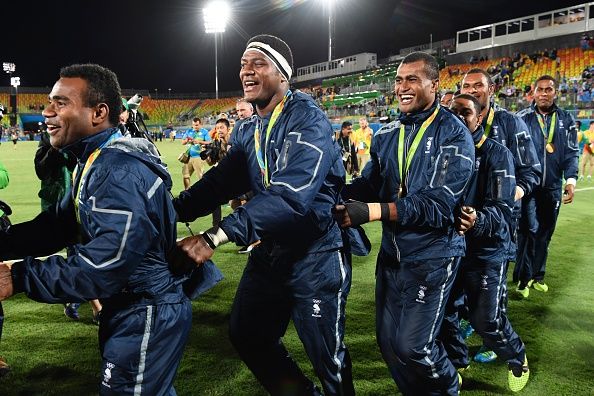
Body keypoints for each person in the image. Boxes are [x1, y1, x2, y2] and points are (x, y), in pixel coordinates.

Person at [174, 34, 354, 395]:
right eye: (243, 64)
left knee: (327, 357)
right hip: (271, 252)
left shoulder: (307, 120)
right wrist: (170, 210)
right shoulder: (249, 127)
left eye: (258, 63)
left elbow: (289, 198)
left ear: (284, 75)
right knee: (248, 333)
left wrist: (213, 237)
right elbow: (220, 182)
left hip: (314, 255)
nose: (247, 71)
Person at [0, 64, 191, 394]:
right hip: (131, 305)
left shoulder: (116, 171)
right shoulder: (94, 159)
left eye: (61, 103)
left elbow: (101, 268)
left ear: (99, 113)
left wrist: (18, 277)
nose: (46, 112)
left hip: (146, 309)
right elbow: (56, 228)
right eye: (49, 102)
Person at [333, 52, 474, 395]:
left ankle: (450, 384)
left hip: (434, 257)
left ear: (434, 85)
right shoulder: (387, 133)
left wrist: (373, 211)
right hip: (393, 258)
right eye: (398, 80)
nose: (402, 87)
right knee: (388, 344)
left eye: (412, 79)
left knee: (414, 347)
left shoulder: (453, 135)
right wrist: (330, 191)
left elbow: (438, 206)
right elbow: (368, 185)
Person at [441, 94, 529, 392]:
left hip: (487, 251)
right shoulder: (444, 152)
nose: (457, 117)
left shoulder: (496, 153)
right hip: (450, 249)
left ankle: (517, 356)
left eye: (465, 112)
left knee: (485, 320)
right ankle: (457, 361)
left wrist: (477, 220)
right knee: (444, 311)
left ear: (479, 118)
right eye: (452, 111)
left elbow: (503, 210)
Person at [459, 68, 541, 363]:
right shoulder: (457, 122)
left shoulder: (511, 123)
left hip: (500, 220)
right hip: (464, 221)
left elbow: (532, 171)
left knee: (493, 288)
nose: (472, 89)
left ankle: (491, 341)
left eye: (478, 85)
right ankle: (473, 322)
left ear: (491, 89)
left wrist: (510, 194)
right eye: (466, 85)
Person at [515, 75, 579, 296]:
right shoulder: (521, 118)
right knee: (529, 230)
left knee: (545, 233)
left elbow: (571, 153)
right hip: (529, 186)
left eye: (548, 89)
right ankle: (523, 280)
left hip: (552, 186)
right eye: (540, 89)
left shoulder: (566, 120)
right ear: (533, 93)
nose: (544, 93)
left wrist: (571, 180)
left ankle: (537, 275)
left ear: (555, 93)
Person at [181, 117, 211, 190]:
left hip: (199, 157)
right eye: (194, 125)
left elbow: (209, 142)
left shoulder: (205, 132)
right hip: (189, 157)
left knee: (201, 177)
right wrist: (187, 140)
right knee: (185, 176)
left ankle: (203, 191)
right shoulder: (189, 131)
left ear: (200, 124)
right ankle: (187, 191)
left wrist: (199, 142)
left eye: (197, 125)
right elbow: (183, 142)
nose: (195, 127)